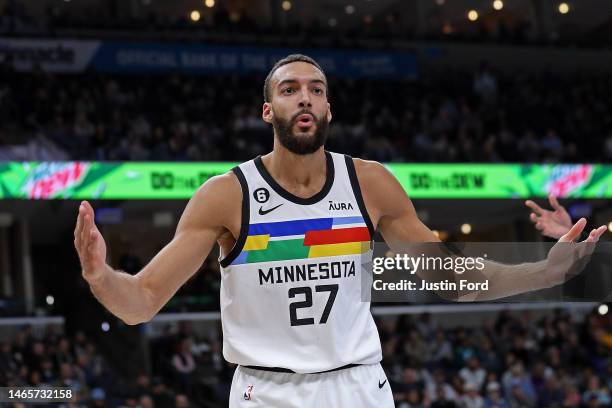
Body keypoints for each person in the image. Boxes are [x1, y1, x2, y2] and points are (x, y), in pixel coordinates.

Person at [74, 54, 607, 407]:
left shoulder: (370, 183)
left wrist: (546, 270)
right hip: (267, 391)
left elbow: (453, 276)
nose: (303, 97)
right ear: (268, 109)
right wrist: (100, 275)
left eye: (315, 89)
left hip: (357, 385)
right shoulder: (226, 195)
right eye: (289, 89)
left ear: (329, 108)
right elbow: (142, 300)